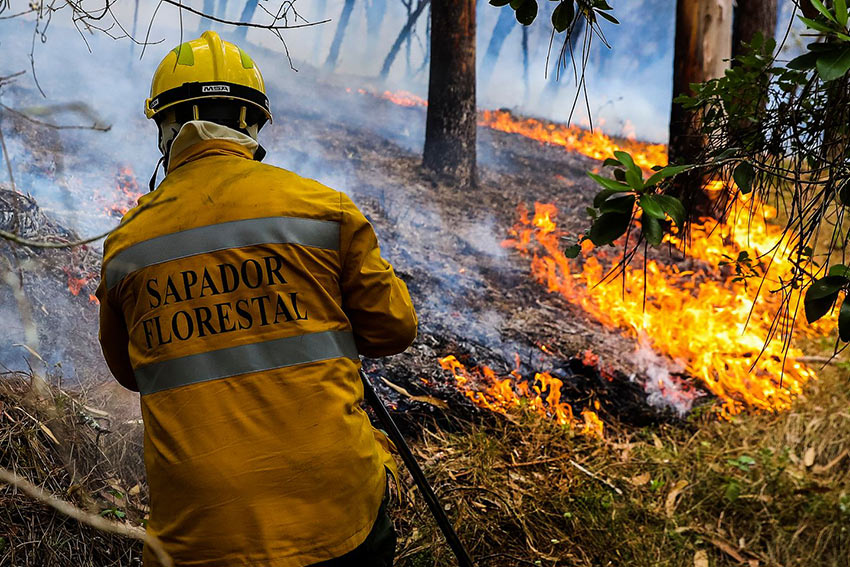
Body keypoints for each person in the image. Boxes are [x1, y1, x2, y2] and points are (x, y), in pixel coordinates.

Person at [96, 31, 417, 567]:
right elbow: (394, 329)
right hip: (337, 518)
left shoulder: (128, 246)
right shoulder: (323, 209)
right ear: (251, 122)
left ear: (166, 127)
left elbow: (131, 371)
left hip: (200, 539)